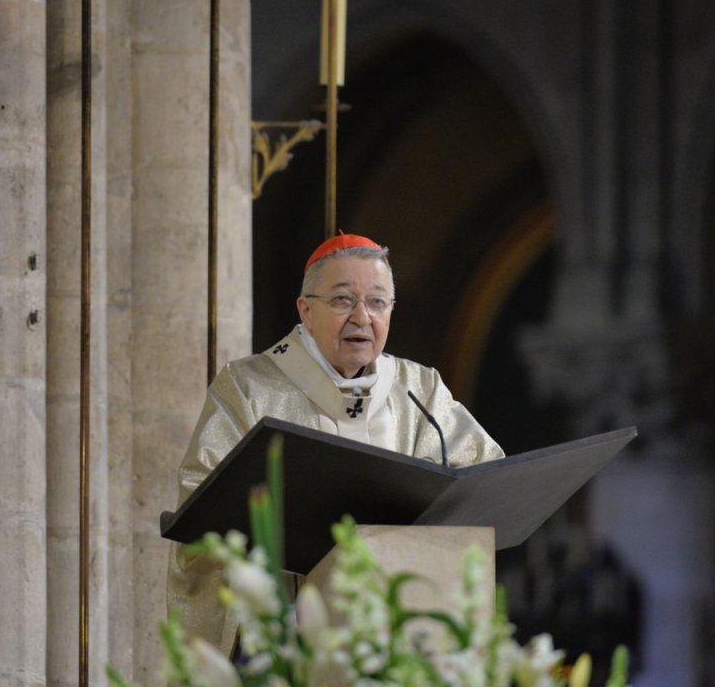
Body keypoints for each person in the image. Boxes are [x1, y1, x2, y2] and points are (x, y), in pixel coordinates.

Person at [168, 233, 504, 650]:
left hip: (400, 629)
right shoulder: (250, 388)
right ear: (306, 311)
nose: (362, 317)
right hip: (289, 629)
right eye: (343, 300)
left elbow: (482, 479)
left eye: (377, 302)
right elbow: (203, 502)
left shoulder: (419, 389)